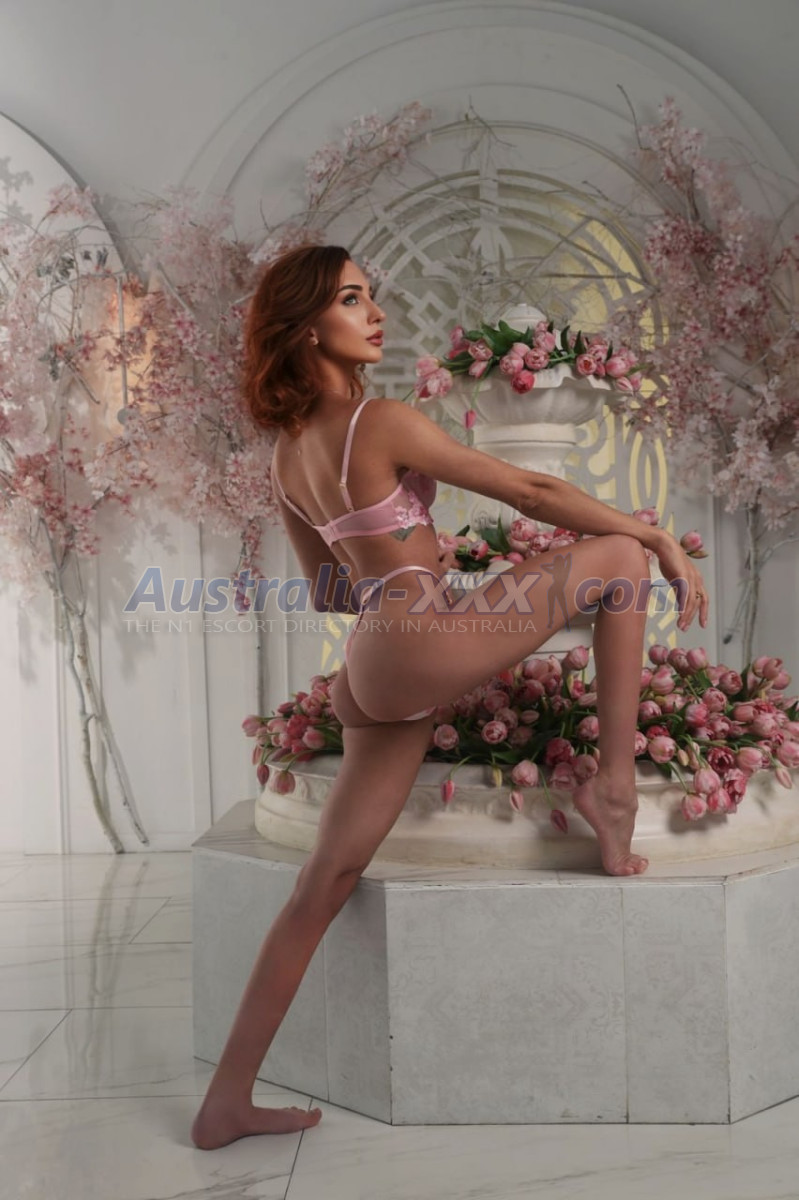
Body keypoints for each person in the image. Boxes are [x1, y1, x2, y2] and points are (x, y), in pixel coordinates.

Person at [190, 243, 708, 1149]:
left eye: (372, 296)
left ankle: (224, 1103)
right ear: (308, 326)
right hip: (415, 638)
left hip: (370, 667)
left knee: (322, 883)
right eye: (353, 299)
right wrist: (656, 537)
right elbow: (530, 488)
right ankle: (614, 789)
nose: (375, 314)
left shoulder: (287, 456)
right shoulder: (378, 420)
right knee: (623, 560)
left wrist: (401, 559)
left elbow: (329, 591)